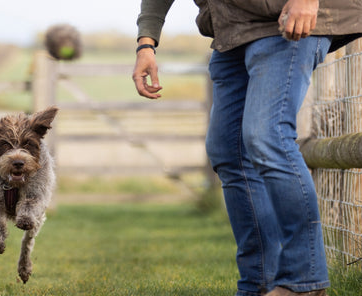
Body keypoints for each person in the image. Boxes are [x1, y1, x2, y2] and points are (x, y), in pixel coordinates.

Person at [132, 0, 362, 295]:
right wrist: (146, 43)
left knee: (268, 137)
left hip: (283, 21)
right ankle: (258, 284)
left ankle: (303, 281)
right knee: (229, 151)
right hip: (232, 30)